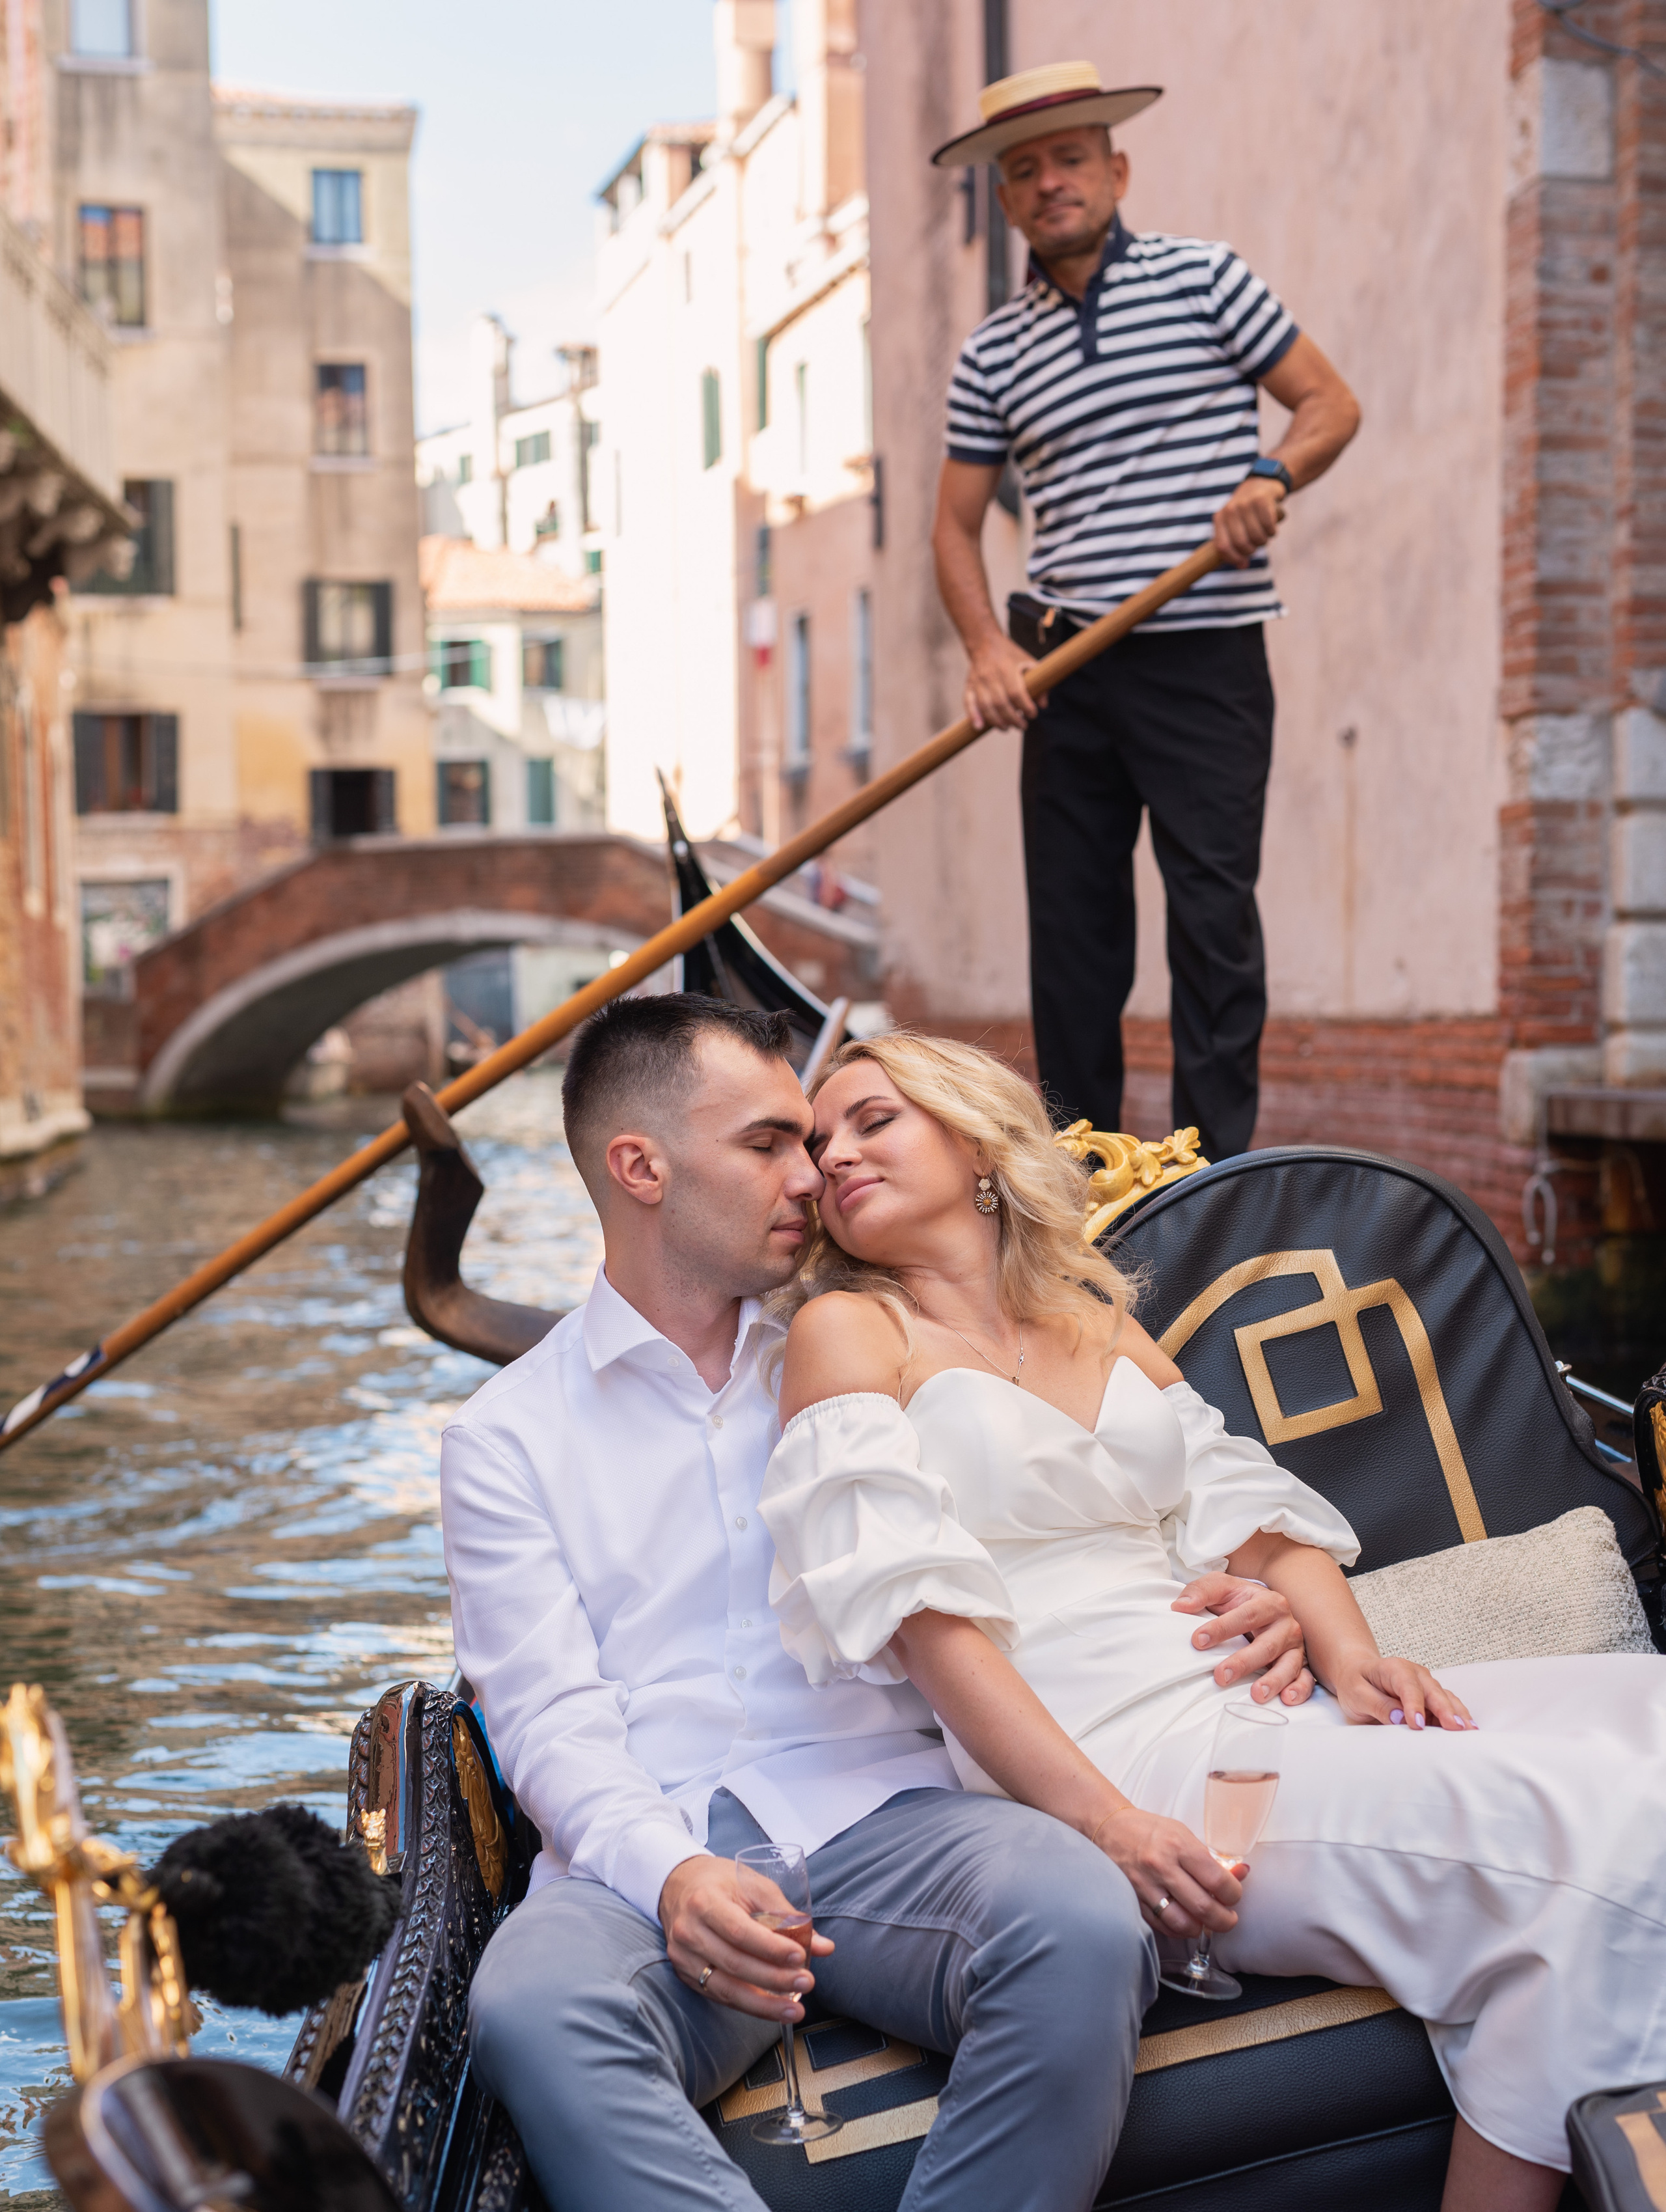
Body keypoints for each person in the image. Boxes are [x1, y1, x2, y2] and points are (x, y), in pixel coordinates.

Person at [760, 1029, 1666, 2212]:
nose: (832, 1155)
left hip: (1248, 1695)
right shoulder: (852, 1331)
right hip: (1117, 1756)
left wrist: (1350, 1655)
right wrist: (1108, 1824)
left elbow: (1253, 1513)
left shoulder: (1093, 1318)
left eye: (871, 1119)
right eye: (818, 1140)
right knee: (1595, 1836)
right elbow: (925, 1625)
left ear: (975, 1137)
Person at [439, 993, 1309, 2212]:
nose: (813, 1172)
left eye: (815, 1138)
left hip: (899, 1814)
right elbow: (544, 1716)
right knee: (530, 2008)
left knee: (1083, 1926)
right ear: (641, 1167)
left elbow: (1081, 1493)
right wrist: (673, 1871)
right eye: (767, 1145)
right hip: (656, 1841)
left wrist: (1256, 1586)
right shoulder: (505, 1437)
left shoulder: (873, 1337)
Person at [929, 61, 1362, 1159]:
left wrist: (1270, 477)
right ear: (1006, 198)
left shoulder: (1210, 281)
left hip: (1204, 654)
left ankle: (1213, 1174)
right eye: (1024, 170)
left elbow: (1330, 403)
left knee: (1213, 923)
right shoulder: (989, 356)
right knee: (1074, 945)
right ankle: (1077, 1179)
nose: (1049, 183)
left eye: (1070, 158)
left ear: (1116, 170)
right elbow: (953, 526)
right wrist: (987, 650)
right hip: (1064, 668)